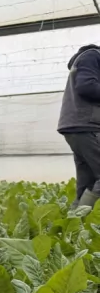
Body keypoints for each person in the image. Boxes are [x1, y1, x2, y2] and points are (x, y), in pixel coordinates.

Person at [59, 44, 100, 208]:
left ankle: (73, 227)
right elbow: (86, 86)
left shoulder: (85, 59)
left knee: (87, 182)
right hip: (88, 125)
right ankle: (84, 222)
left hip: (77, 127)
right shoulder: (93, 56)